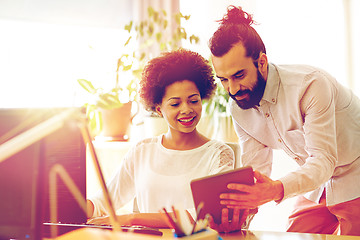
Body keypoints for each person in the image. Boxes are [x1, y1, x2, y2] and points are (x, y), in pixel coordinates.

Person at [208, 5, 360, 236]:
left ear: (261, 62)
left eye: (239, 75)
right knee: (293, 235)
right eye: (224, 79)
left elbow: (323, 160)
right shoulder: (239, 108)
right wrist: (238, 217)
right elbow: (256, 171)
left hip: (355, 175)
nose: (233, 89)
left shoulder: (310, 85)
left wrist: (276, 189)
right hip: (317, 184)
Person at [86, 48, 236, 229]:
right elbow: (104, 202)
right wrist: (68, 207)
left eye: (193, 100)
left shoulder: (219, 154)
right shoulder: (142, 151)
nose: (186, 109)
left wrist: (132, 219)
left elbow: (202, 216)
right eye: (175, 104)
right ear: (159, 109)